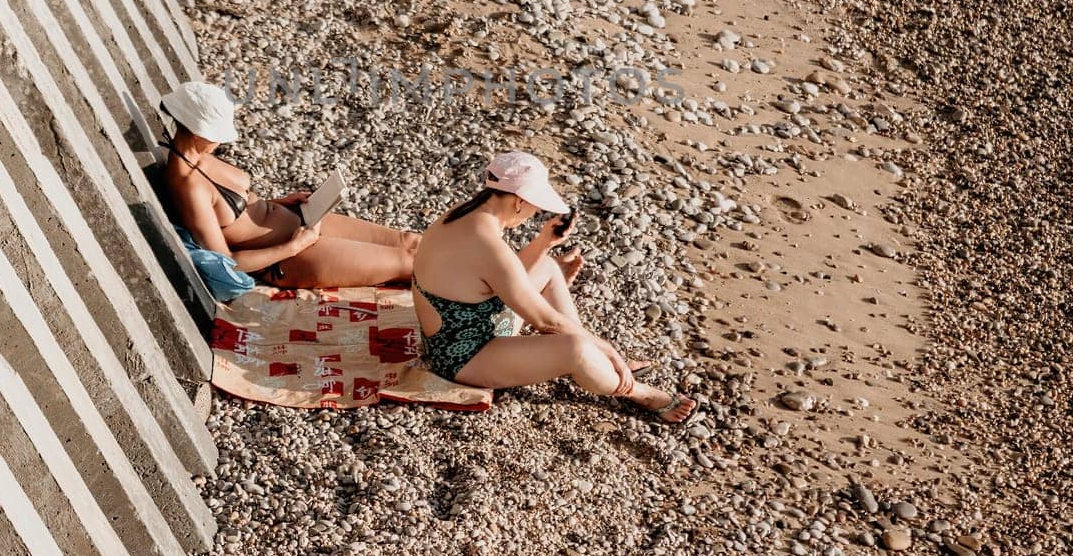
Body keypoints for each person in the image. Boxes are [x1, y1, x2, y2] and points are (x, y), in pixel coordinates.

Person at [412, 151, 696, 425]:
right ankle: (639, 393)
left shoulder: (463, 214)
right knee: (576, 348)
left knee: (547, 266)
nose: (535, 212)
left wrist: (544, 243)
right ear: (519, 201)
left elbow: (497, 276)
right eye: (536, 205)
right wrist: (608, 349)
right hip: (462, 358)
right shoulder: (488, 246)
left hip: (462, 326)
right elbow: (544, 320)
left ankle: (597, 362)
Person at [158, 81, 418, 299]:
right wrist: (293, 247)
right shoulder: (189, 186)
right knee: (409, 263)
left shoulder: (198, 156)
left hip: (301, 220)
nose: (220, 141)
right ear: (197, 132)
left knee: (409, 241)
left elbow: (235, 218)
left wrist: (280, 203)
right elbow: (227, 261)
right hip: (290, 255)